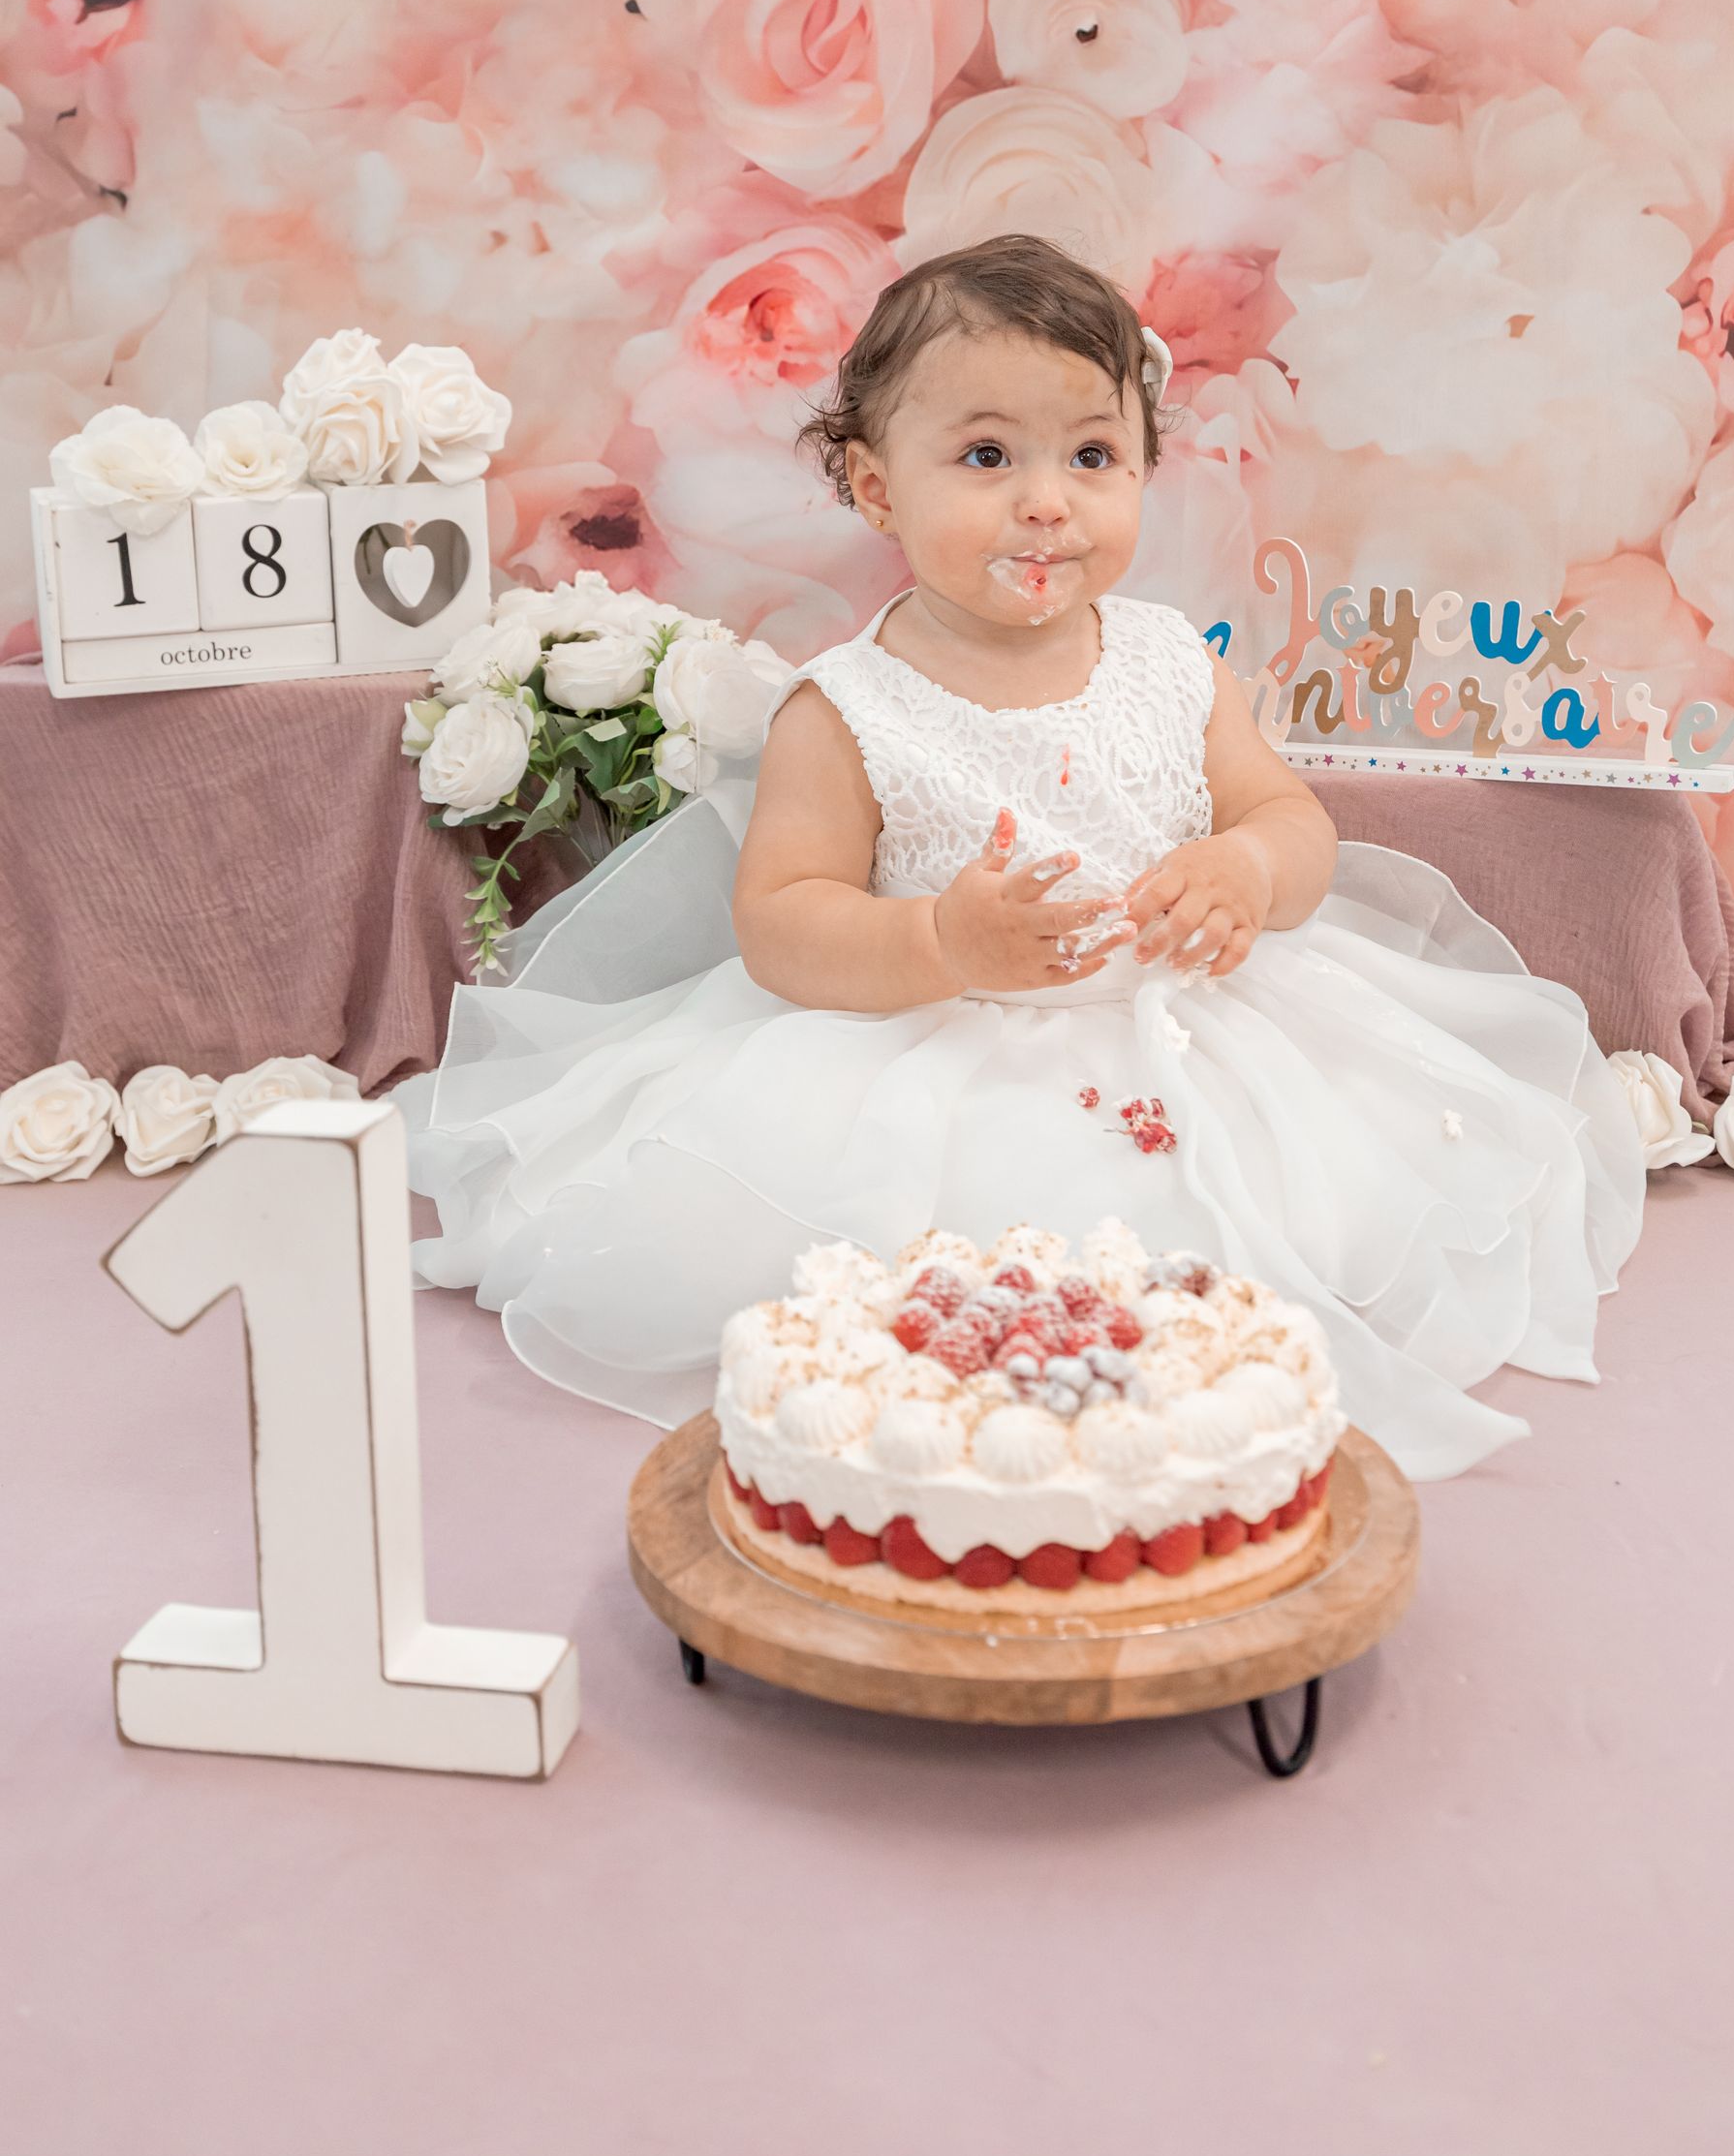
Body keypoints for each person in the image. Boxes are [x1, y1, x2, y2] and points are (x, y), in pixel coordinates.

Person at [402, 234, 1643, 1477]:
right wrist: (938, 938)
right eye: (987, 456)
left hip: (1194, 1022)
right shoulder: (848, 707)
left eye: (1093, 456)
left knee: (1341, 1207)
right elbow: (781, 920)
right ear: (877, 488)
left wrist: (1249, 873)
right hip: (931, 1042)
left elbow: (1291, 818)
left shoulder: (1171, 660)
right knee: (936, 1276)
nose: (1048, 499)